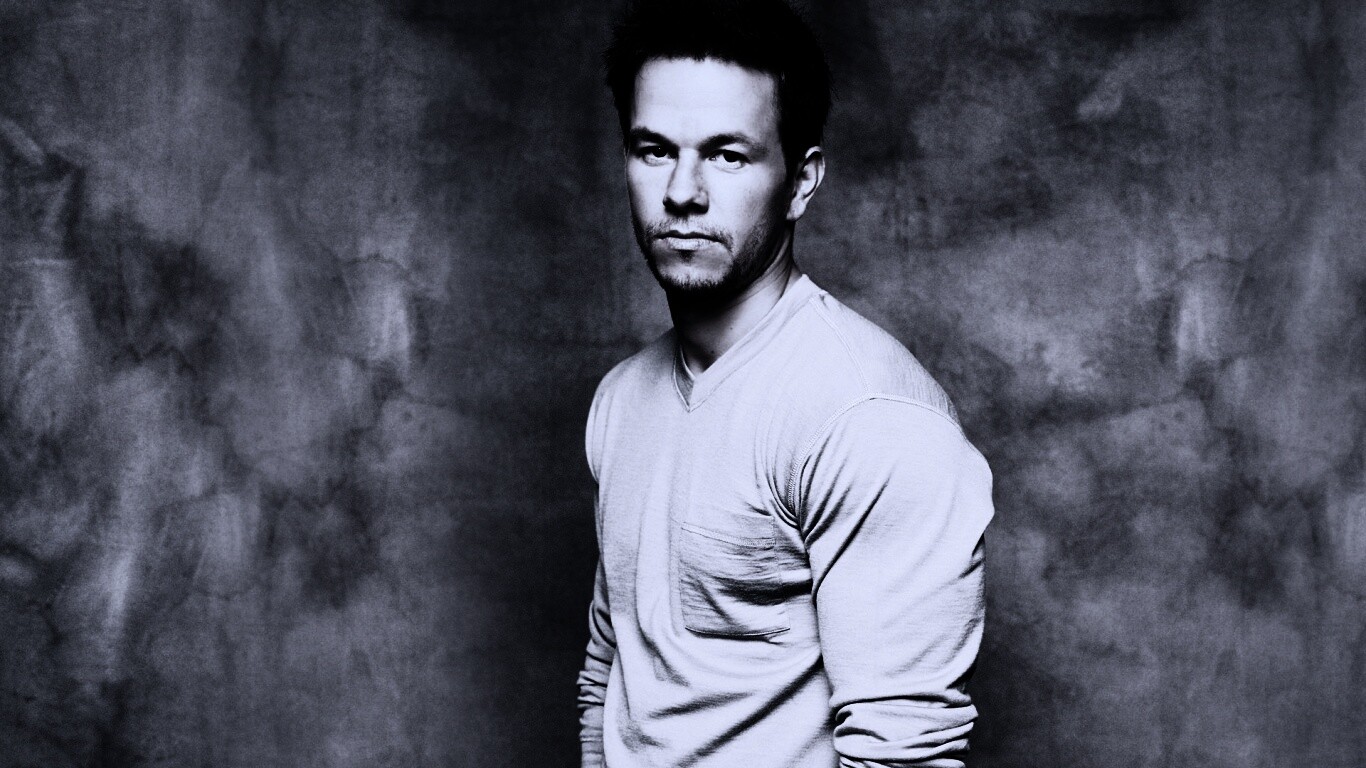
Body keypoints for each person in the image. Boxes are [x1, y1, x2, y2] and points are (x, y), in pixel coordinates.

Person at [576, 1, 995, 765]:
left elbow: (903, 752)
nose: (683, 191)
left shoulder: (868, 417)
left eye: (728, 155)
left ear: (801, 182)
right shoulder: (620, 399)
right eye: (654, 150)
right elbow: (611, 676)